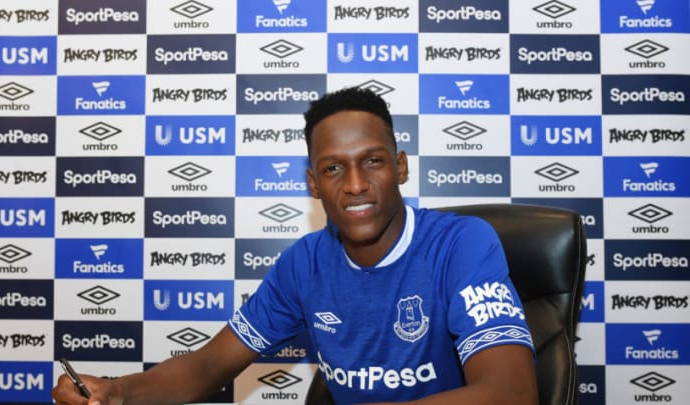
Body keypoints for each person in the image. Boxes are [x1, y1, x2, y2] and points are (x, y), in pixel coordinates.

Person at [52, 87, 538, 405]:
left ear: (402, 167)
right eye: (333, 168)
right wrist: (117, 392)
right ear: (312, 183)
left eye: (372, 161)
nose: (354, 184)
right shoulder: (302, 264)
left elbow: (512, 392)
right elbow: (208, 365)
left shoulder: (462, 243)